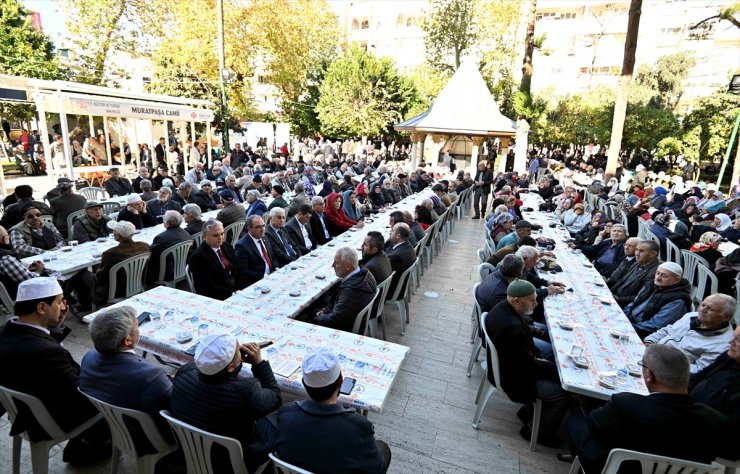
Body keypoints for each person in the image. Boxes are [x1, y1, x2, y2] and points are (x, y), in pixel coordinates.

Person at [565, 344, 728, 474]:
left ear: (649, 375)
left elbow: (594, 424)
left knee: (577, 420)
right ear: (687, 377)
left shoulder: (627, 403)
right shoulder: (716, 421)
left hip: (619, 468)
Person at [0, 278, 109, 466]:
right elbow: (82, 394)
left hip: (21, 410)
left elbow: (39, 355)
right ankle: (82, 448)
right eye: (59, 301)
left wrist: (56, 325)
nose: (63, 306)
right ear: (42, 307)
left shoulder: (5, 332)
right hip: (47, 418)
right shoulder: (46, 352)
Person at [171, 334, 281, 472]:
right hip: (232, 461)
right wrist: (258, 364)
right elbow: (275, 396)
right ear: (230, 368)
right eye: (238, 352)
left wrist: (235, 361)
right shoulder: (245, 392)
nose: (241, 351)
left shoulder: (184, 372)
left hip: (190, 450)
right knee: (279, 418)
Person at [273, 347, 391, 473]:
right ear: (341, 381)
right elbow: (377, 469)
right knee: (383, 448)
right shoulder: (359, 427)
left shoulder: (286, 414)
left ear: (304, 383)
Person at [486, 280, 570, 447]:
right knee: (563, 395)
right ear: (516, 301)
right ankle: (535, 432)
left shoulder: (501, 308)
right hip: (513, 380)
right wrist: (555, 370)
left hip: (507, 367)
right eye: (532, 300)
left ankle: (527, 413)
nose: (536, 303)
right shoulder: (513, 329)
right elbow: (527, 367)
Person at [80, 305, 173, 454]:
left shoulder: (88, 358)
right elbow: (172, 410)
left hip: (115, 428)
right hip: (150, 439)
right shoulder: (150, 375)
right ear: (128, 340)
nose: (139, 330)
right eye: (137, 326)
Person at [645, 294, 736, 373]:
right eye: (703, 305)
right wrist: (650, 341)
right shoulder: (691, 316)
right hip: (650, 353)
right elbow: (668, 330)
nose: (702, 310)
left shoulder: (723, 345)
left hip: (668, 373)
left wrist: (663, 363)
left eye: (710, 309)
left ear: (726, 317)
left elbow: (698, 370)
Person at [689, 326, 740, 460]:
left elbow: (730, 431)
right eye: (733, 336)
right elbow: (699, 376)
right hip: (687, 413)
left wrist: (690, 410)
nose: (730, 342)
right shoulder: (729, 358)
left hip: (707, 438)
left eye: (738, 339)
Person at [312, 247, 377, 332]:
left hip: (344, 329)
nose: (333, 265)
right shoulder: (364, 272)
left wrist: (318, 316)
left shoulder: (351, 290)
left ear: (348, 266)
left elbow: (335, 320)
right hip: (350, 316)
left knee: (308, 312)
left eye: (336, 263)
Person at [623, 262, 693, 340]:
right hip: (631, 323)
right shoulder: (651, 285)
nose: (658, 278)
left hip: (642, 333)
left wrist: (629, 327)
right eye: (657, 273)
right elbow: (633, 304)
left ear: (676, 280)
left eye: (664, 275)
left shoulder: (678, 300)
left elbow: (655, 325)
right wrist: (622, 317)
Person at [92, 221, 150, 307]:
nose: (113, 233)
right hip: (137, 284)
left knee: (86, 276)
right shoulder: (144, 246)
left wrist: (97, 273)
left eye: (114, 231)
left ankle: (85, 304)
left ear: (118, 236)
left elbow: (101, 277)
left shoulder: (110, 253)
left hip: (116, 291)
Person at [189, 219, 245, 300]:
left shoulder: (227, 246)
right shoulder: (198, 257)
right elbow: (207, 286)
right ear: (204, 237)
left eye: (222, 234)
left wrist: (241, 288)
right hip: (218, 297)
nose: (220, 238)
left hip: (237, 291)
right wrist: (231, 294)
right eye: (215, 235)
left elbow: (239, 270)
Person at [608, 240, 661, 308]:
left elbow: (640, 296)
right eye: (636, 250)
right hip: (614, 297)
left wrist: (617, 299)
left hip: (623, 305)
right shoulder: (637, 263)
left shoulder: (655, 272)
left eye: (641, 251)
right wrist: (610, 291)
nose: (637, 253)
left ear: (653, 254)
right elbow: (622, 280)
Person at [146, 210, 191, 284]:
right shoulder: (185, 233)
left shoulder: (161, 237)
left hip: (166, 272)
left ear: (167, 223)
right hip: (183, 267)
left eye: (164, 220)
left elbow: (152, 255)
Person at [235, 215, 279, 286]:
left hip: (272, 275)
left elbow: (272, 257)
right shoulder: (242, 246)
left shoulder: (265, 237)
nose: (262, 229)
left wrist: (276, 268)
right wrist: (264, 276)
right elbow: (243, 271)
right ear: (249, 229)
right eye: (258, 227)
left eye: (263, 225)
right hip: (258, 281)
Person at [385, 223, 416, 294]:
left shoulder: (396, 256)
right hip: (401, 284)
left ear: (398, 235)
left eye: (392, 231)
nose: (390, 233)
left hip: (391, 291)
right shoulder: (407, 245)